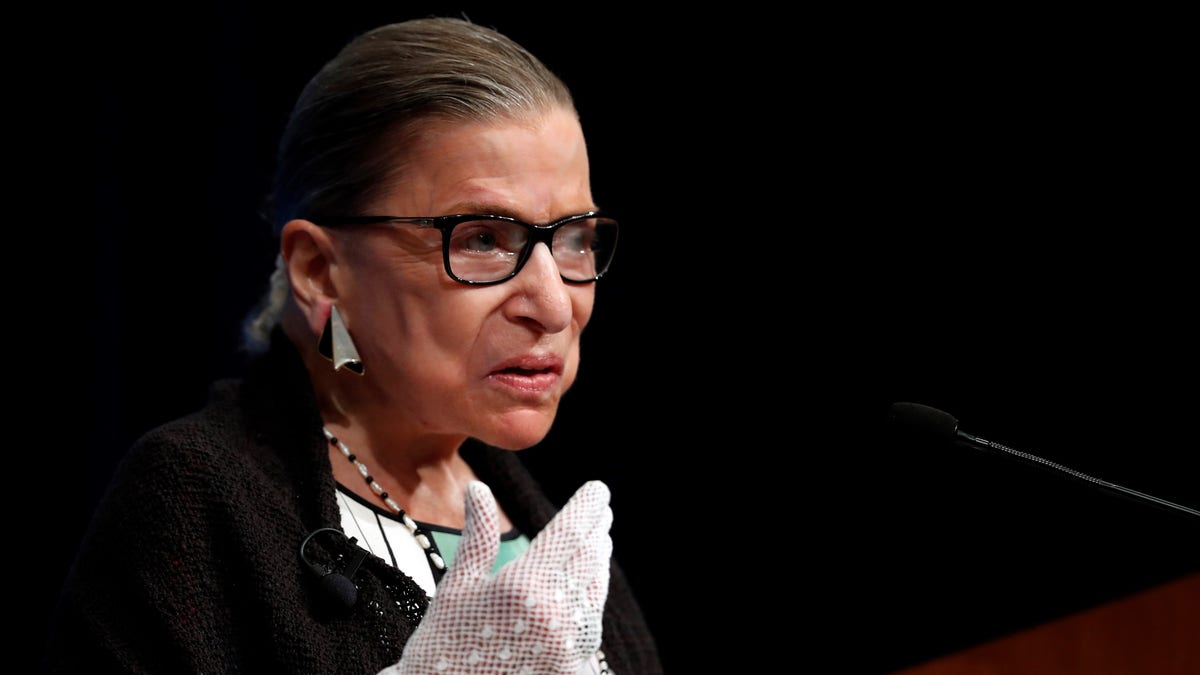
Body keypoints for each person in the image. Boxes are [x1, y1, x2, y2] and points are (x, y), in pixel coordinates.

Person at [43, 15, 662, 675]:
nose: (554, 303)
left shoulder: (559, 539)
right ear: (320, 270)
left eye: (574, 239)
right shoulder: (196, 502)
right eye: (483, 237)